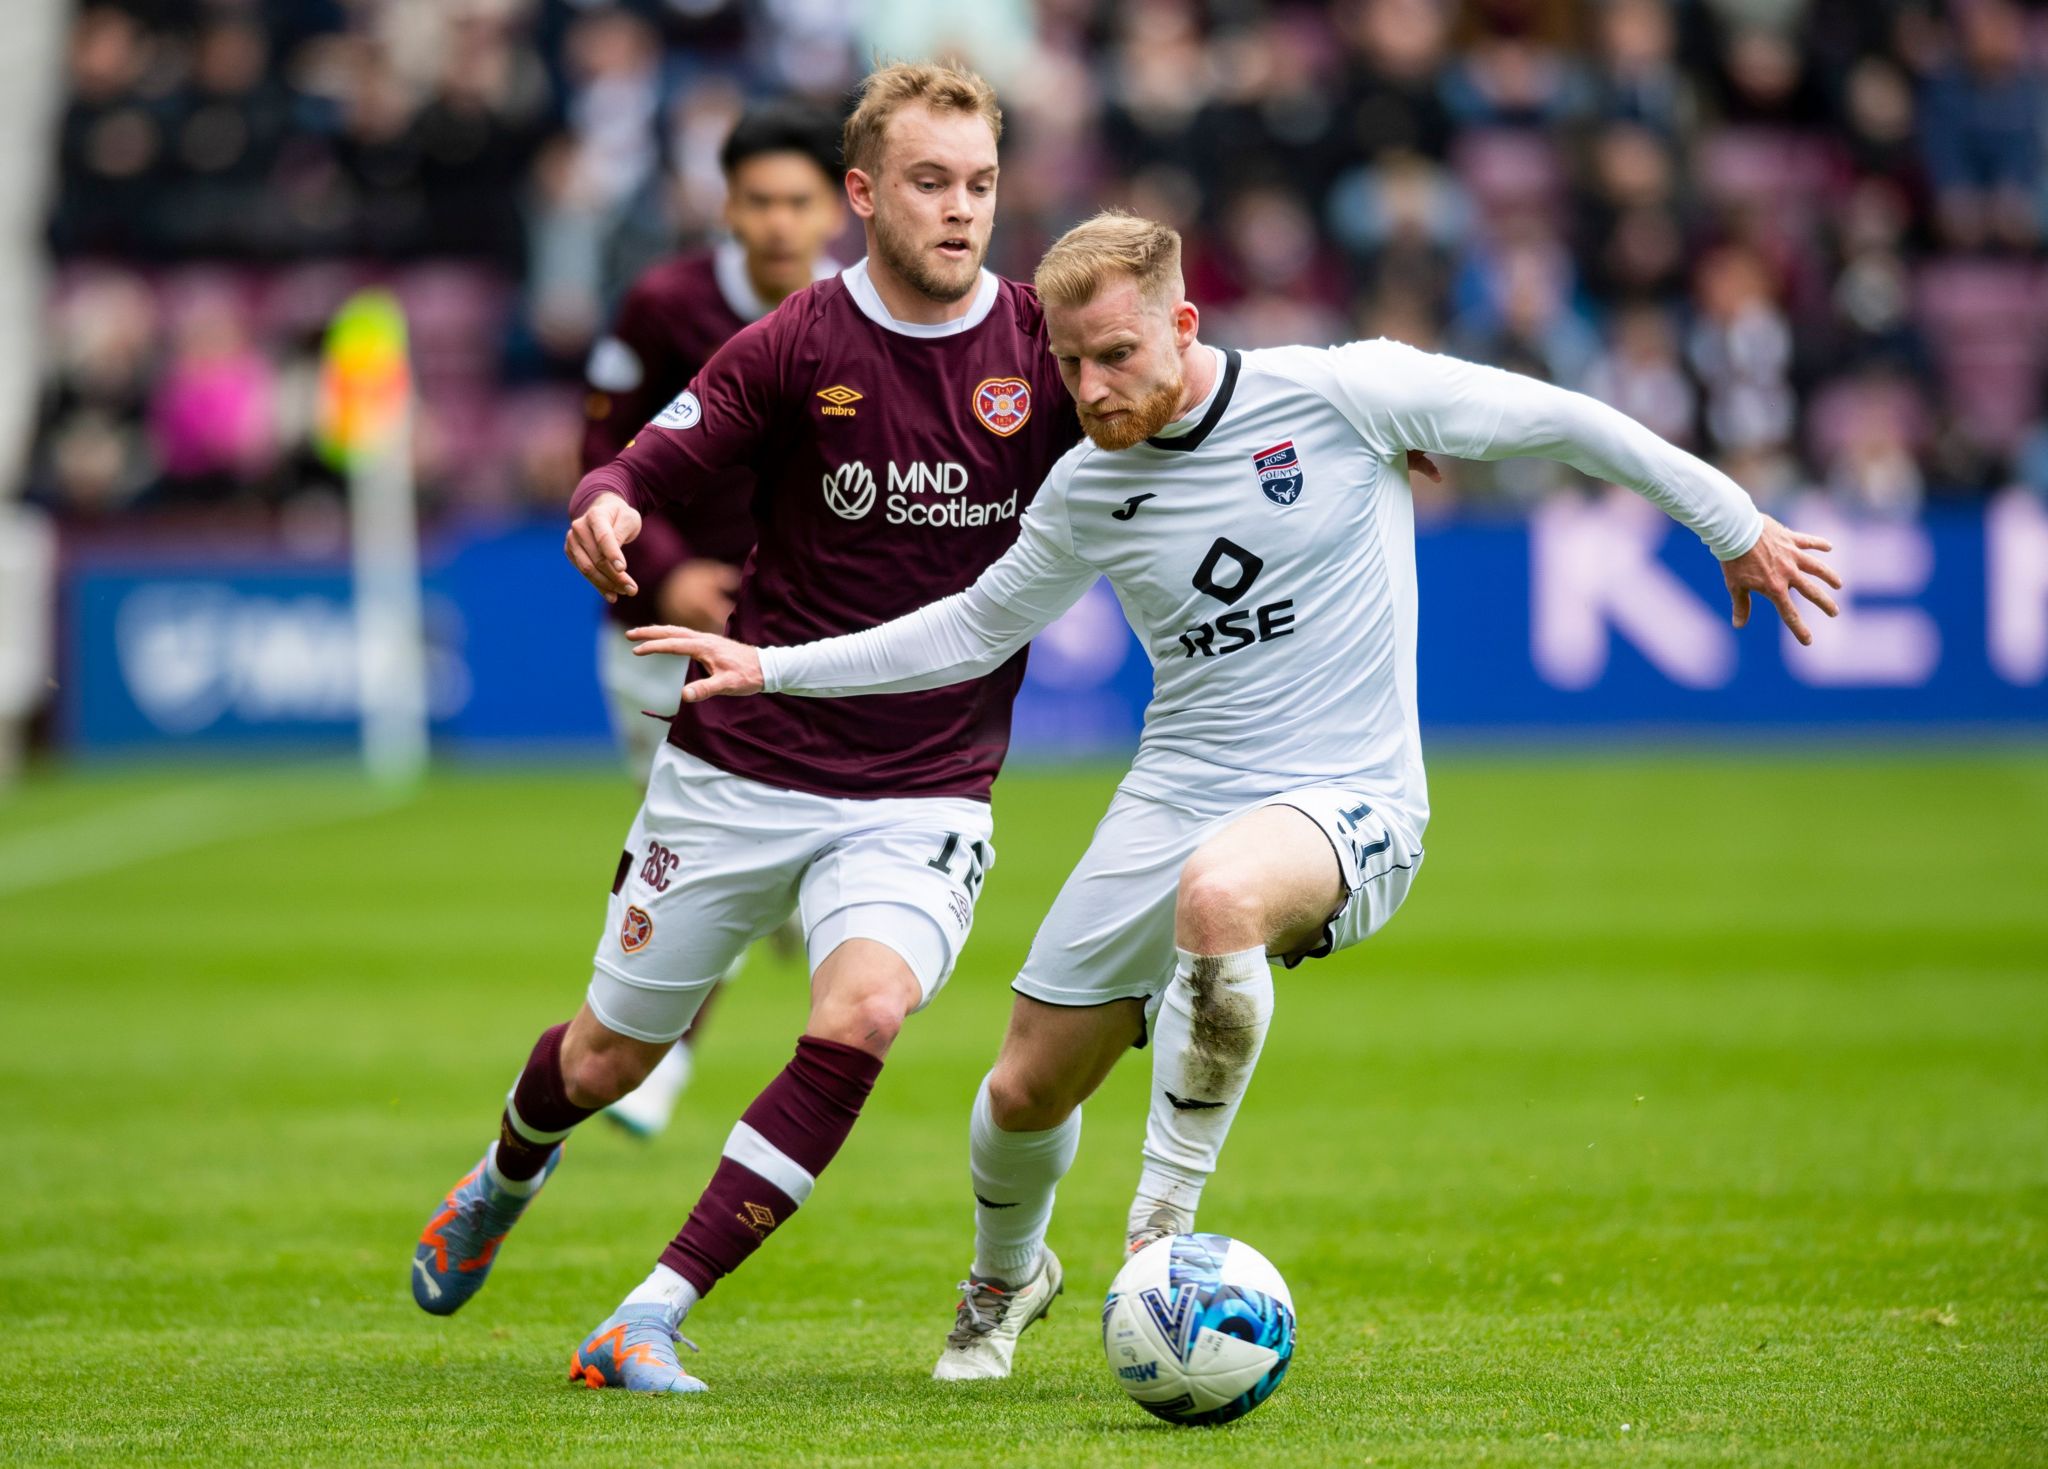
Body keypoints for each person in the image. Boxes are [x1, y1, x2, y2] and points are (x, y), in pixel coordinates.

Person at [628, 210, 1845, 1382]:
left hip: (1348, 796)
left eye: (1117, 354)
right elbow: (966, 628)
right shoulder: (1085, 489)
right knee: (1017, 1092)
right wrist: (772, 664)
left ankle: (1160, 1235)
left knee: (1219, 898)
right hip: (1175, 786)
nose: (1093, 387)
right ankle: (1003, 1281)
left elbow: (1563, 420)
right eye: (1069, 363)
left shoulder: (1342, 393)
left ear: (1182, 322)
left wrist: (1728, 522)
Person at [410, 61, 1083, 1396]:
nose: (961, 211)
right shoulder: (797, 342)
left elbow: (1187, 395)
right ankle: (502, 1174)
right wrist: (605, 507)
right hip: (738, 768)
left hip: (925, 783)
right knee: (609, 1055)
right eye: (931, 184)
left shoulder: (1037, 344)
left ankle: (647, 1314)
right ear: (864, 194)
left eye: (982, 186)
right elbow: (642, 461)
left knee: (867, 1011)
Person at [581, 101, 845, 1141]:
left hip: (794, 633)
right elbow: (600, 459)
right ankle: (753, 924)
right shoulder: (659, 307)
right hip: (657, 628)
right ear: (725, 205)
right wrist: (664, 568)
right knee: (686, 832)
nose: (778, 222)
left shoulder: (863, 315)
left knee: (697, 833)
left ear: (838, 205)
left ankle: (657, 1054)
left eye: (799, 201)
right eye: (758, 201)